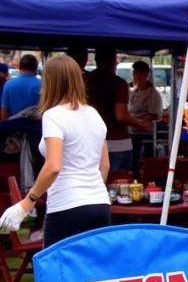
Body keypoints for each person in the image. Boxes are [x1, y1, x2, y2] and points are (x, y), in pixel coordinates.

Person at [0, 55, 109, 246]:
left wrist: (26, 204)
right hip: (99, 203)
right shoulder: (93, 114)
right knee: (91, 272)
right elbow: (104, 166)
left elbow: (53, 165)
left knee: (56, 272)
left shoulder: (53, 116)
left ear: (49, 82)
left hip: (67, 205)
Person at [86, 45, 147, 173]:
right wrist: (139, 123)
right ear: (114, 61)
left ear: (96, 59)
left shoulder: (86, 81)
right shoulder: (119, 83)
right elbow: (121, 115)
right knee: (119, 184)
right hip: (118, 142)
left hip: (91, 143)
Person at [0, 53, 42, 120]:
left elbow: (4, 112)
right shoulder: (43, 85)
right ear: (36, 67)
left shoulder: (9, 85)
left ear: (19, 67)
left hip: (14, 127)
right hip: (36, 127)